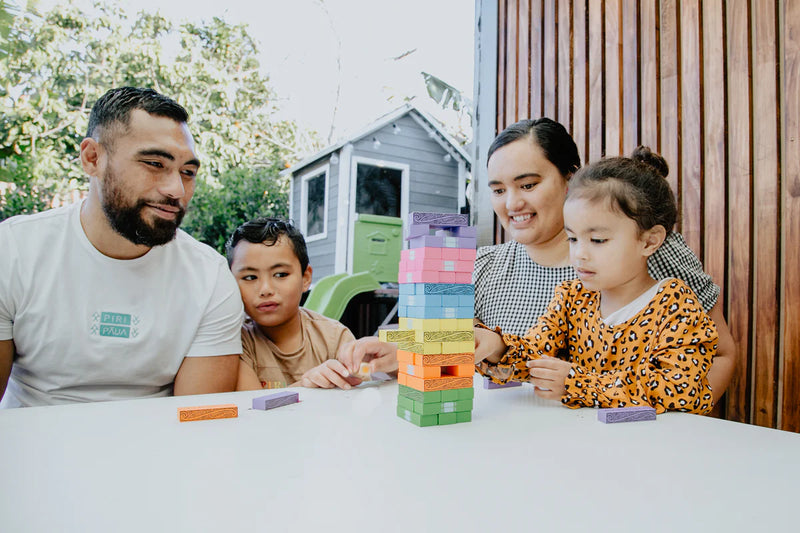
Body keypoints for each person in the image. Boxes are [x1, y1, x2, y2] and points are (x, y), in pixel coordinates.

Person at [341, 119, 735, 402]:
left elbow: (711, 361)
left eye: (528, 184)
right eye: (497, 190)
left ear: (571, 179)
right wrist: (404, 352)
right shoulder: (493, 269)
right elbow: (497, 351)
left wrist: (670, 428)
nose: (512, 204)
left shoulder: (649, 257)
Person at [0, 87, 244, 408]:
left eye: (188, 172)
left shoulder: (210, 277)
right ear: (92, 158)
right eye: (155, 163)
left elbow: (197, 422)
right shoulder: (14, 251)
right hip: (30, 450)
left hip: (159, 449)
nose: (176, 190)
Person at [473, 148, 717, 414]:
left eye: (598, 240)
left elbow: (680, 390)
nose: (580, 254)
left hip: (651, 449)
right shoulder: (571, 297)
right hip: (584, 446)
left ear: (649, 240)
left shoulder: (676, 305)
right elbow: (535, 356)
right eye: (573, 239)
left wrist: (578, 383)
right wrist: (495, 346)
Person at [227, 218, 360, 390]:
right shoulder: (235, 342)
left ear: (305, 278)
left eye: (281, 274)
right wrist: (305, 387)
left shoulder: (335, 337)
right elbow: (252, 408)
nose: (265, 290)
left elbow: (361, 391)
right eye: (250, 277)